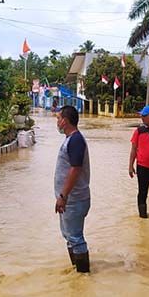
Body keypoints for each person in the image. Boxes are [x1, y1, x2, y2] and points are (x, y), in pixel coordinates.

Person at [54, 105, 91, 273]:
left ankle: (83, 276)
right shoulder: (71, 139)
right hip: (70, 199)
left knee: (75, 237)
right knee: (69, 236)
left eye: (58, 118)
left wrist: (63, 196)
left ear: (65, 121)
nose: (57, 122)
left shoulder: (75, 140)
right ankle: (76, 274)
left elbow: (75, 169)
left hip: (74, 199)